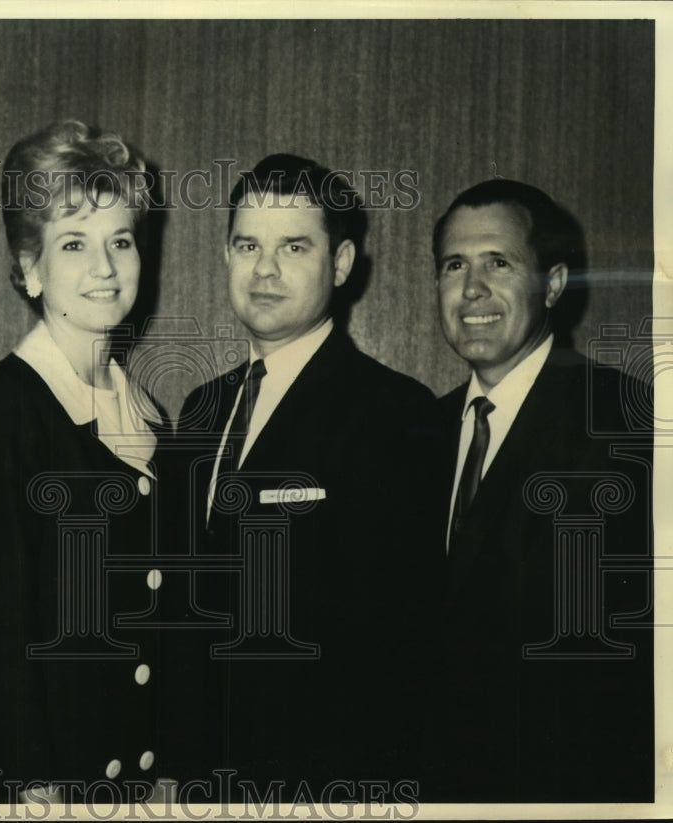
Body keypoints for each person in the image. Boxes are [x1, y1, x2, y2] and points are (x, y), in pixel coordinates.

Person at [170, 154, 445, 802]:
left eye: (294, 246)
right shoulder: (201, 408)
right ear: (225, 254)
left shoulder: (396, 414)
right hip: (199, 782)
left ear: (342, 263)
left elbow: (398, 656)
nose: (265, 270)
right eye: (248, 245)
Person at [0, 121, 167, 805]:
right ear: (29, 267)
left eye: (120, 240)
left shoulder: (155, 415)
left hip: (144, 782)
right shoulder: (2, 411)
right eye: (74, 243)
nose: (104, 267)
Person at [429, 179, 653, 801]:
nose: (472, 288)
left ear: (553, 284)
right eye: (455, 266)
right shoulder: (418, 430)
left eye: (498, 262)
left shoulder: (625, 422)